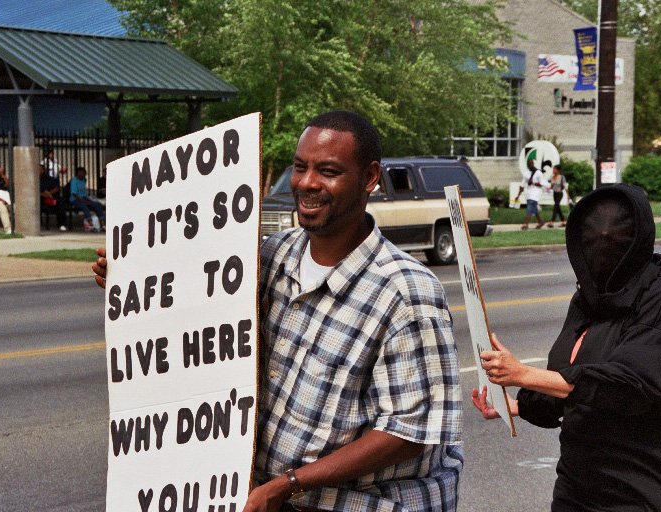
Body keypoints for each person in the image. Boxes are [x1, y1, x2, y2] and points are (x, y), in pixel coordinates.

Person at [93, 111, 463, 512]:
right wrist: (133, 279)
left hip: (358, 502)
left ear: (370, 178)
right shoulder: (272, 255)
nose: (306, 183)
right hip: (273, 496)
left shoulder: (407, 293)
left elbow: (409, 431)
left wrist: (287, 484)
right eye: (300, 167)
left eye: (328, 171)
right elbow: (197, 306)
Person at [472, 184, 661, 512]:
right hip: (581, 488)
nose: (603, 241)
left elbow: (627, 383)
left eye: (615, 235)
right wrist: (517, 406)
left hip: (651, 489)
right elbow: (569, 380)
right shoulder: (589, 299)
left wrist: (524, 374)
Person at [514, 151, 545, 230]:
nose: (530, 165)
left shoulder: (538, 173)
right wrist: (518, 195)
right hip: (528, 194)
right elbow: (522, 185)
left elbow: (542, 184)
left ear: (533, 163)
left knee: (529, 208)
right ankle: (541, 221)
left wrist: (534, 183)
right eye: (528, 164)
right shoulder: (526, 173)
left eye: (531, 163)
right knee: (534, 209)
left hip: (535, 194)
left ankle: (525, 224)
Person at [70, 166, 105, 231]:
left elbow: (84, 192)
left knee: (97, 205)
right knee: (84, 207)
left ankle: (103, 225)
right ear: (77, 173)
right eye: (80, 173)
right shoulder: (74, 180)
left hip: (84, 198)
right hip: (75, 199)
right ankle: (91, 225)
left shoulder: (84, 180)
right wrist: (84, 202)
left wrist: (88, 199)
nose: (82, 175)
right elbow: (74, 194)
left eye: (83, 173)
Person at [39, 164, 68, 231]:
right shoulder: (34, 179)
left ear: (43, 170)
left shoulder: (48, 178)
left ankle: (62, 224)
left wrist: (49, 193)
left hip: (50, 197)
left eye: (40, 169)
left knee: (60, 202)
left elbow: (56, 188)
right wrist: (42, 194)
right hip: (40, 199)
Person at [546, 164, 568, 228]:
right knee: (557, 207)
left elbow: (565, 186)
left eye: (554, 169)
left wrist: (568, 195)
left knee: (556, 206)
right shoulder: (552, 177)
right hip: (554, 194)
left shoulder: (562, 177)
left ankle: (551, 222)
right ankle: (563, 221)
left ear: (557, 170)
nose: (553, 170)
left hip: (559, 193)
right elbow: (551, 186)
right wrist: (548, 188)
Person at [0, 163, 12, 234]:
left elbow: (7, 185)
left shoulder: (1, 179)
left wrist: (3, 176)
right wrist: (2, 200)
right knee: (3, 208)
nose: (2, 172)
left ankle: (9, 229)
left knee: (5, 208)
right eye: (0, 171)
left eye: (3, 171)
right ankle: (8, 229)